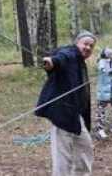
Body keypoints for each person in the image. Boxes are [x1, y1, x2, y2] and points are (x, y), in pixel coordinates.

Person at [35, 30, 96, 176]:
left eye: (91, 46)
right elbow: (60, 58)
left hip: (76, 118)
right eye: (85, 44)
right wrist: (51, 62)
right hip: (62, 115)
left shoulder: (81, 63)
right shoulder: (70, 53)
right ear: (77, 43)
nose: (88, 47)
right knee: (63, 160)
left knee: (85, 149)